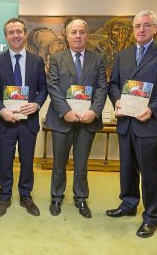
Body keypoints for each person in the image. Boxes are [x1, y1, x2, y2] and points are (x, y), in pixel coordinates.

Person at [107, 10, 157, 238]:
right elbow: (114, 84)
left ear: (155, 28)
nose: (141, 30)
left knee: (149, 172)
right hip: (126, 123)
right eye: (137, 26)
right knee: (127, 168)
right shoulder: (123, 54)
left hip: (148, 123)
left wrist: (153, 109)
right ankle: (128, 204)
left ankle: (151, 217)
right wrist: (117, 99)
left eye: (146, 25)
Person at [45, 19, 108, 218]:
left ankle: (80, 198)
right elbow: (52, 86)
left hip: (87, 119)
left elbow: (102, 87)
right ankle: (56, 197)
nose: (78, 36)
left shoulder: (97, 59)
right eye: (74, 32)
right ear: (67, 35)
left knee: (81, 162)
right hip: (62, 119)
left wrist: (94, 111)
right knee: (59, 162)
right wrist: (65, 111)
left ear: (86, 35)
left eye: (82, 32)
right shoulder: (56, 58)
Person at [0, 18, 48, 217]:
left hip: (28, 122)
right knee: (5, 162)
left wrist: (37, 104)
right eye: (11, 32)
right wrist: (1, 110)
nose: (16, 35)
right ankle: (5, 197)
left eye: (19, 31)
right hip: (5, 122)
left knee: (27, 161)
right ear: (6, 36)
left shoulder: (37, 60)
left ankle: (25, 196)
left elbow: (43, 89)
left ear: (24, 34)